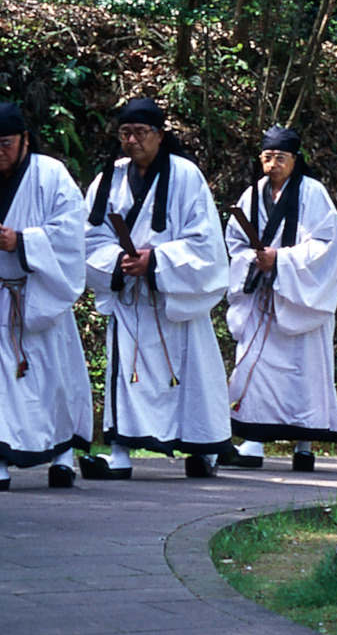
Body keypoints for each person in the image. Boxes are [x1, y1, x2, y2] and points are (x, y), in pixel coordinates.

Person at [79, 98, 229, 479]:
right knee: (124, 372)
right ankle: (120, 453)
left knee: (192, 372)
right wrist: (118, 261)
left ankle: (201, 448)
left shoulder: (186, 175)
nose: (131, 141)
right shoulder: (108, 179)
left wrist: (158, 261)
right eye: (125, 133)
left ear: (160, 136)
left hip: (174, 297)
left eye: (140, 133)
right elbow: (89, 237)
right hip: (131, 294)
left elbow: (205, 242)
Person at [0, 101, 94, 490]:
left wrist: (22, 241)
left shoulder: (51, 175)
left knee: (54, 381)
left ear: (25, 139)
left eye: (4, 143)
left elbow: (72, 233)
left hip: (40, 293)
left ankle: (62, 456)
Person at [222, 125, 337, 471]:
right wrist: (253, 261)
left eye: (280, 158)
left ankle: (304, 444)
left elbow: (325, 245)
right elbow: (236, 242)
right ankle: (254, 440)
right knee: (254, 366)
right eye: (267, 157)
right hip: (263, 296)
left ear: (295, 160)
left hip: (299, 298)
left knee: (304, 370)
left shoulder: (313, 193)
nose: (272, 164)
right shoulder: (253, 194)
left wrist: (282, 259)